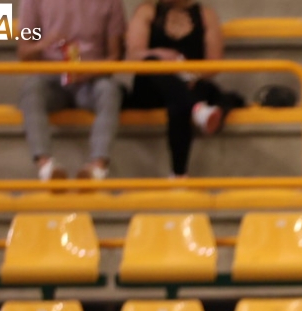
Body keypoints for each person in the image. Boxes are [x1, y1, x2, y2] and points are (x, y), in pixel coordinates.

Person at [123, 0, 241, 178]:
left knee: (180, 99)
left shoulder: (206, 15)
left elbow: (214, 63)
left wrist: (188, 74)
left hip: (189, 82)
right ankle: (198, 109)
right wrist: (160, 55)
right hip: (151, 87)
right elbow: (134, 56)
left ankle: (178, 175)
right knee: (154, 64)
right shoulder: (146, 11)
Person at [16, 0, 126, 181]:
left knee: (110, 90)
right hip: (51, 79)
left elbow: (115, 55)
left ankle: (97, 168)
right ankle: (46, 167)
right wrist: (44, 44)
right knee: (32, 88)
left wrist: (88, 72)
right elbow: (24, 52)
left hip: (92, 80)